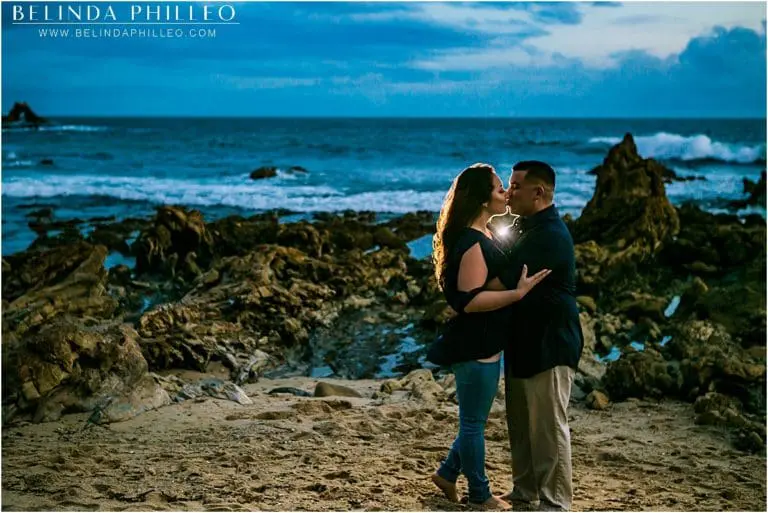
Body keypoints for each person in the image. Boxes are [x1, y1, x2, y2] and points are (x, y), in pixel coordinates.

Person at [429, 163, 551, 510]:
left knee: (474, 421)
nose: (506, 194)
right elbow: (469, 301)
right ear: (483, 199)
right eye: (500, 189)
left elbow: (488, 282)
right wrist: (518, 294)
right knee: (472, 425)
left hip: (486, 342)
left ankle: (447, 474)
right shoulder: (471, 241)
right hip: (475, 343)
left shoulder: (487, 234)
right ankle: (480, 495)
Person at [491, 161, 584, 512]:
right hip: (525, 339)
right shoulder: (525, 227)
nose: (509, 192)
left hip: (551, 341)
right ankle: (525, 489)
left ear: (538, 192)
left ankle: (555, 501)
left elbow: (501, 280)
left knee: (547, 427)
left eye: (515, 186)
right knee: (521, 423)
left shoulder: (549, 235)